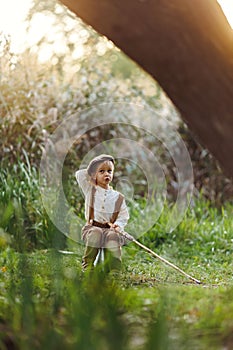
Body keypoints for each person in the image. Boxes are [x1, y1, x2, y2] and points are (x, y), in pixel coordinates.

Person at [75, 154, 129, 272]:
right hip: (92, 227)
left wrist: (118, 225)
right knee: (96, 233)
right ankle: (88, 265)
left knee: (113, 236)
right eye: (102, 171)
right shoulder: (90, 189)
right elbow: (79, 174)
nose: (106, 174)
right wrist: (93, 171)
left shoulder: (118, 197)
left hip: (110, 229)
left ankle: (115, 269)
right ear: (94, 174)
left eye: (109, 171)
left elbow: (123, 216)